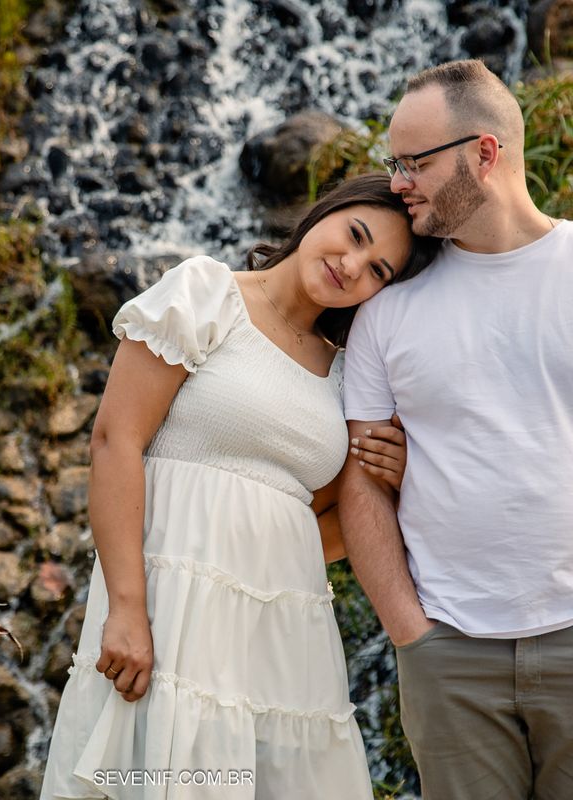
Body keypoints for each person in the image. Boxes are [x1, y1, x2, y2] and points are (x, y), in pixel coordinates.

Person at [40, 173, 439, 800]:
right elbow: (116, 443)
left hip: (280, 634)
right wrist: (126, 607)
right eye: (354, 235)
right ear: (323, 214)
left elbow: (317, 532)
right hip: (170, 610)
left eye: (378, 270)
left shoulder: (347, 372)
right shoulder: (206, 293)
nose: (352, 264)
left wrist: (392, 474)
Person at [339, 59, 573, 800]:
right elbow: (360, 483)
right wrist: (411, 632)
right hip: (450, 653)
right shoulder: (386, 309)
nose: (398, 179)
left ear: (486, 152)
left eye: (416, 161)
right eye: (394, 163)